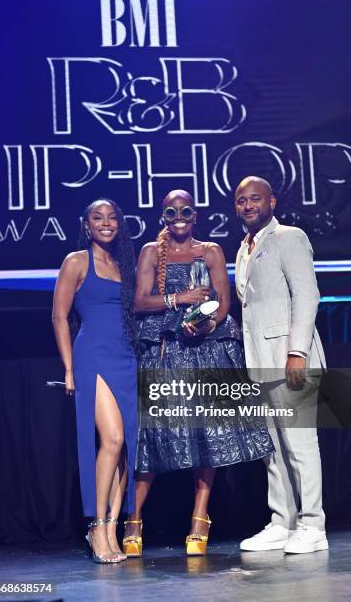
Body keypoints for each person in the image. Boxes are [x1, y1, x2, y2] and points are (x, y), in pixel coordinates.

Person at [122, 189, 274, 557]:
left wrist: (205, 324)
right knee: (154, 438)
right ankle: (132, 519)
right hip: (165, 351)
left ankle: (199, 520)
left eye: (186, 211)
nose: (179, 216)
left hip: (206, 350)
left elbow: (223, 302)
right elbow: (140, 302)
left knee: (208, 437)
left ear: (195, 216)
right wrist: (180, 300)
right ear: (163, 215)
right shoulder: (149, 252)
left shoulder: (210, 252)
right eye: (171, 211)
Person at [234, 176, 328, 554]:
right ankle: (282, 522)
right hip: (260, 361)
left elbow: (307, 294)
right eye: (241, 200)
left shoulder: (289, 237)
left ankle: (313, 525)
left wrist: (298, 352)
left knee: (301, 444)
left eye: (255, 198)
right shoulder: (244, 247)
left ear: (271, 201)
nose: (247, 205)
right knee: (273, 448)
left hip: (291, 360)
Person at [52, 198, 137, 563]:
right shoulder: (76, 261)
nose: (106, 223)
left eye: (112, 217)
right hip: (93, 357)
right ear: (86, 225)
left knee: (126, 450)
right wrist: (69, 369)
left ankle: (113, 530)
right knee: (112, 439)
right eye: (97, 218)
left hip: (126, 357)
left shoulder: (123, 263)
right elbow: (59, 316)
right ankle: (97, 527)